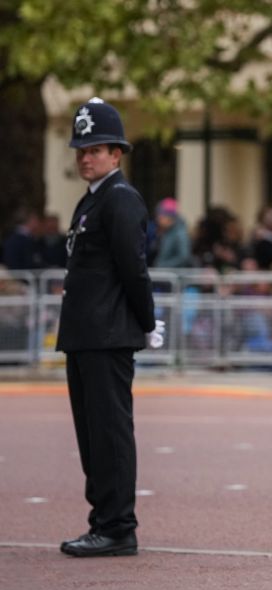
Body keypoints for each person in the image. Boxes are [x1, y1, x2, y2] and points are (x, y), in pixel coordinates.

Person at [56, 97, 164, 558]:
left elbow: (132, 268)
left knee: (109, 433)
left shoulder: (119, 199)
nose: (86, 157)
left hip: (107, 333)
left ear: (116, 154)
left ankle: (118, 526)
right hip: (86, 333)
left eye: (96, 149)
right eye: (82, 150)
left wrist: (145, 322)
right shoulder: (94, 199)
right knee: (91, 434)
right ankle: (103, 520)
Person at [152, 197, 192, 268]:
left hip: (174, 276)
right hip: (167, 274)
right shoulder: (167, 232)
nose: (157, 219)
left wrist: (162, 266)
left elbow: (184, 258)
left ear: (169, 217)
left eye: (160, 216)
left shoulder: (180, 234)